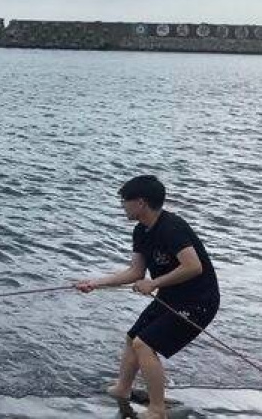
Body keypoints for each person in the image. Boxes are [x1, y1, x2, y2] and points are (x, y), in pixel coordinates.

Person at [75, 175, 219, 419]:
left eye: (125, 201)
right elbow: (135, 272)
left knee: (145, 344)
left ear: (140, 202)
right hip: (171, 297)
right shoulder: (141, 231)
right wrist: (94, 283)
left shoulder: (171, 227)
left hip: (199, 301)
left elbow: (193, 266)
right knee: (133, 338)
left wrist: (154, 283)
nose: (122, 206)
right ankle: (123, 389)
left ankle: (157, 410)